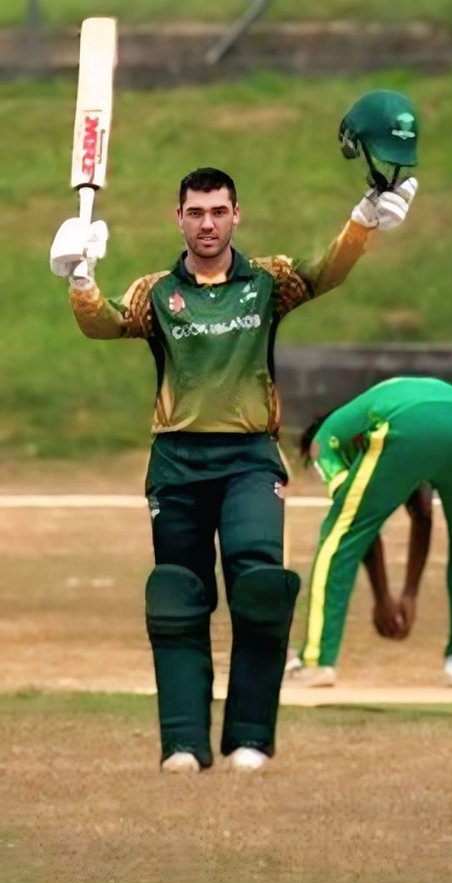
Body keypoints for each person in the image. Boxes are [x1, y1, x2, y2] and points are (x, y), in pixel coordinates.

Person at [48, 104, 419, 774]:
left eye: (218, 211)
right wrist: (79, 279)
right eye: (196, 212)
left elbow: (326, 270)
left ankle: (249, 736)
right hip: (176, 464)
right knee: (177, 598)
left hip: (250, 459)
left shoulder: (267, 281)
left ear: (236, 215)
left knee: (260, 588)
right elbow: (104, 323)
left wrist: (363, 220)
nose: (207, 223)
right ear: (179, 218)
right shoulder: (156, 293)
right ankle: (183, 744)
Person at [286, 377, 452, 689]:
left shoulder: (327, 442)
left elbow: (358, 529)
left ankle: (317, 661)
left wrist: (386, 597)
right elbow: (422, 513)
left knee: (340, 535)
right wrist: (407, 594)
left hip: (409, 422)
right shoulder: (372, 411)